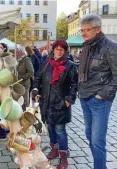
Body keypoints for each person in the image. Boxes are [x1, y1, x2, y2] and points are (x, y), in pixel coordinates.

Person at [78, 14, 117, 169]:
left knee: (97, 140)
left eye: (87, 30)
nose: (84, 33)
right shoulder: (87, 46)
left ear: (98, 29)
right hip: (85, 97)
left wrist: (102, 95)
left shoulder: (111, 47)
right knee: (89, 135)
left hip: (99, 100)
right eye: (82, 30)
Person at [32, 40, 78, 169]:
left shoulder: (70, 66)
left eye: (61, 49)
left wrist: (69, 99)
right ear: (53, 50)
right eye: (56, 49)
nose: (58, 51)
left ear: (65, 51)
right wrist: (35, 89)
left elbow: (75, 84)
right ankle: (54, 149)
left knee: (60, 130)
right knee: (51, 127)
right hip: (46, 102)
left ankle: (63, 157)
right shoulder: (46, 63)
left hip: (61, 104)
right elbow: (37, 78)